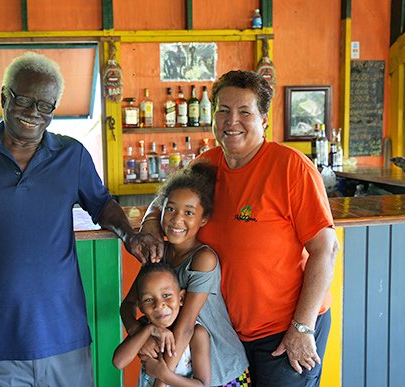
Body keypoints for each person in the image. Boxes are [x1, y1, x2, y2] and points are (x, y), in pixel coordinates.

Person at [0, 51, 156, 386]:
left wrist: (129, 234)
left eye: (45, 105)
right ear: (4, 97)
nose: (34, 113)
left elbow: (102, 204)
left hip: (62, 331)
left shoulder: (71, 155)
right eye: (24, 100)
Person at [136, 70, 339, 387]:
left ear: (264, 120)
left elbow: (326, 249)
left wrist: (302, 326)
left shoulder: (291, 167)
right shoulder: (205, 165)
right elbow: (162, 201)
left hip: (284, 331)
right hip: (225, 333)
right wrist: (150, 223)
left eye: (244, 112)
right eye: (223, 110)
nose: (232, 121)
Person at [121, 163, 251, 387]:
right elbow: (128, 305)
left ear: (203, 219)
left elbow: (186, 326)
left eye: (188, 212)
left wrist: (160, 382)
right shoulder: (157, 255)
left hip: (218, 371)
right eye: (170, 209)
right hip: (174, 369)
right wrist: (138, 332)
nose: (176, 219)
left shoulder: (203, 259)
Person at [113, 262, 210, 386]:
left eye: (166, 295)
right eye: (149, 300)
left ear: (181, 298)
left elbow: (202, 385)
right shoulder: (145, 328)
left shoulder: (197, 334)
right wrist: (149, 330)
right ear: (141, 307)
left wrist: (163, 375)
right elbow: (118, 362)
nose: (159, 305)